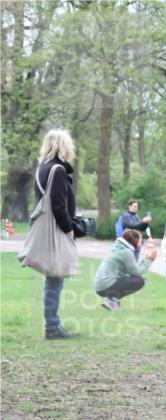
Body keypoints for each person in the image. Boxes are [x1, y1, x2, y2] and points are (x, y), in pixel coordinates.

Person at [31, 129, 80, 340]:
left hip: (46, 229)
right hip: (56, 230)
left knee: (53, 278)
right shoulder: (58, 170)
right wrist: (69, 229)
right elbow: (59, 205)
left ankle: (52, 324)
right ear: (63, 146)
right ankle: (52, 326)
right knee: (55, 278)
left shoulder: (42, 169)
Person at [94, 229, 157, 311]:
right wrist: (149, 260)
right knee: (139, 281)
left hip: (100, 286)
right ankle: (111, 301)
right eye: (140, 241)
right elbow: (137, 272)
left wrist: (145, 259)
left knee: (136, 279)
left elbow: (132, 269)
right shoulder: (126, 252)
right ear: (135, 241)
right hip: (106, 285)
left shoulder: (119, 248)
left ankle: (112, 301)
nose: (141, 243)